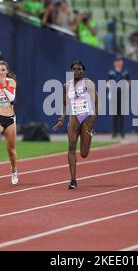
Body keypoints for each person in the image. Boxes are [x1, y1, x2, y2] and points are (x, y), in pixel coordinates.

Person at [52, 61, 98, 189]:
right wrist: (61, 118)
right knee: (71, 147)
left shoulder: (89, 84)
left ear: (83, 71)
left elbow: (95, 103)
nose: (77, 71)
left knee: (84, 153)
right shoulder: (66, 86)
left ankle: (90, 134)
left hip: (86, 118)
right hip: (73, 118)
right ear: (71, 71)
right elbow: (64, 104)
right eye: (74, 69)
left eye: (79, 69)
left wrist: (92, 120)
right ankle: (73, 180)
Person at [107, 55, 131, 139]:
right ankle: (114, 132)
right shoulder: (111, 72)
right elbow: (108, 83)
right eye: (117, 61)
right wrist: (110, 87)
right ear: (115, 63)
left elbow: (129, 81)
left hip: (122, 95)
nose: (119, 62)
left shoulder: (125, 72)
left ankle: (121, 132)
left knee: (121, 114)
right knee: (114, 114)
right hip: (114, 95)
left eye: (120, 61)